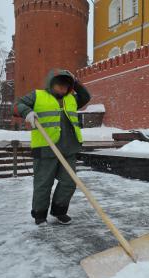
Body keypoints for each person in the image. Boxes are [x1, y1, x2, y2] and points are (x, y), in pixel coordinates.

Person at [15, 69, 91, 226]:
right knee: (44, 183)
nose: (62, 88)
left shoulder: (71, 99)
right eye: (59, 84)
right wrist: (27, 112)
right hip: (45, 148)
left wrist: (75, 81)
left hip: (68, 148)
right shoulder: (38, 95)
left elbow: (86, 97)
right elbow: (17, 105)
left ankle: (59, 211)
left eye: (66, 85)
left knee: (69, 182)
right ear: (51, 83)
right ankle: (39, 215)